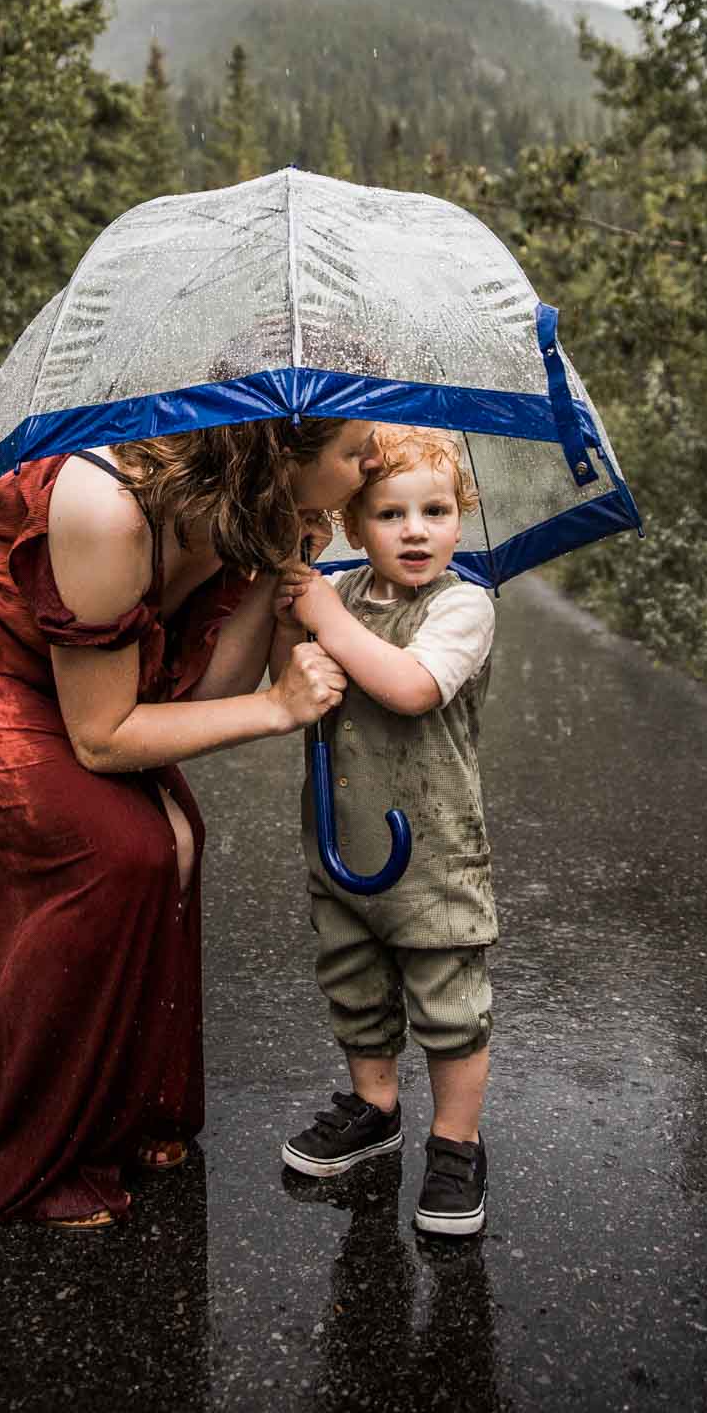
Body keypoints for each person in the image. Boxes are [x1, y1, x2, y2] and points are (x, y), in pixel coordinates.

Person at [0, 416, 382, 1228]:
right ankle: (29, 1142)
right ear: (279, 451)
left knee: (175, 839)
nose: (375, 461)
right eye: (353, 450)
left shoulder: (243, 504)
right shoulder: (109, 506)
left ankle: (129, 1106)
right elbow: (105, 735)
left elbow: (191, 698)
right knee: (112, 852)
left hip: (38, 662)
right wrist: (271, 710)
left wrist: (276, 567)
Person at [271, 425, 497, 1236]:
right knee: (354, 983)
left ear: (459, 520)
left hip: (433, 846)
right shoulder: (335, 592)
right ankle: (374, 1108)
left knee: (447, 998)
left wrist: (324, 612)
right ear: (353, 525)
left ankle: (455, 1142)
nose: (413, 530)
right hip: (342, 840)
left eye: (434, 510)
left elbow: (407, 686)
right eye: (389, 514)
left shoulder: (463, 605)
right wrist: (292, 590)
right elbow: (284, 678)